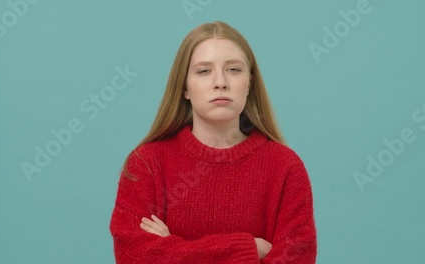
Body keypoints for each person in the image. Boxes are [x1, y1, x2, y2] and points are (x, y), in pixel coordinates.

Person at [109, 20, 317, 263]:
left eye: (233, 69)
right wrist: (247, 249)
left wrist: (172, 249)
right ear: (184, 87)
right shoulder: (145, 164)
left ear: (249, 83)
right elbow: (135, 257)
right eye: (204, 70)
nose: (220, 82)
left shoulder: (285, 168)